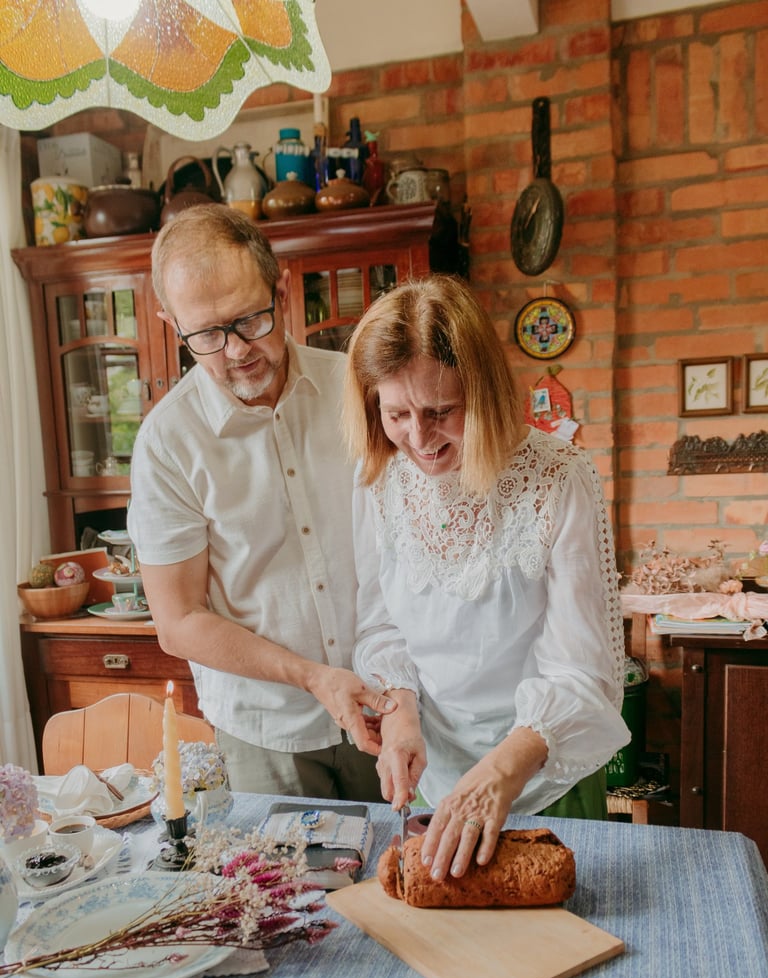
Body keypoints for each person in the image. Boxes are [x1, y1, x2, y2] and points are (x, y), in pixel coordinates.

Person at [343, 275, 630, 879]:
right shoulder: (380, 479)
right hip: (436, 775)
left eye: (441, 411)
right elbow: (382, 625)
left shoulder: (559, 478)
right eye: (396, 414)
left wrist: (500, 771)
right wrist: (400, 715)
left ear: (486, 393)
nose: (419, 438)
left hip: (545, 772)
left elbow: (584, 674)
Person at [127, 203, 395, 798]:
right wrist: (313, 678)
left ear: (282, 289)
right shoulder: (167, 443)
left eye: (251, 319)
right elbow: (178, 621)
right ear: (173, 325)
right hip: (266, 731)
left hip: (387, 703)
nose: (236, 350)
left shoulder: (357, 388)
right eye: (206, 335)